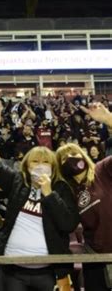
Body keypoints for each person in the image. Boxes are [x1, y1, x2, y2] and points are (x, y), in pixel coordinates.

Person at [0, 103, 79, 291]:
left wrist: (49, 193)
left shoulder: (61, 188)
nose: (40, 166)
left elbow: (68, 224)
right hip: (11, 271)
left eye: (45, 162)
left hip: (49, 272)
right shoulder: (17, 181)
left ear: (53, 167)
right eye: (35, 162)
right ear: (26, 166)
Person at [56, 102, 112, 290]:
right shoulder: (68, 191)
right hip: (95, 257)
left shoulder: (102, 169)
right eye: (63, 158)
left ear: (82, 154)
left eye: (73, 153)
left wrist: (108, 119)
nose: (69, 159)